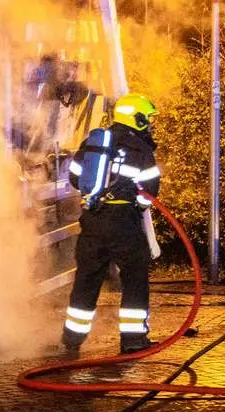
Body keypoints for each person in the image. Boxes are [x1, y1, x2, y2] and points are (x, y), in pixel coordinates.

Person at [61, 92, 162, 355]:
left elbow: (74, 178)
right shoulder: (141, 151)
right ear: (137, 119)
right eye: (147, 119)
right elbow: (150, 192)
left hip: (92, 223)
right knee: (135, 279)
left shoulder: (95, 143)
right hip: (124, 225)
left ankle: (72, 339)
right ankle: (133, 340)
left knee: (86, 280)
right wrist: (135, 204)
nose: (150, 125)